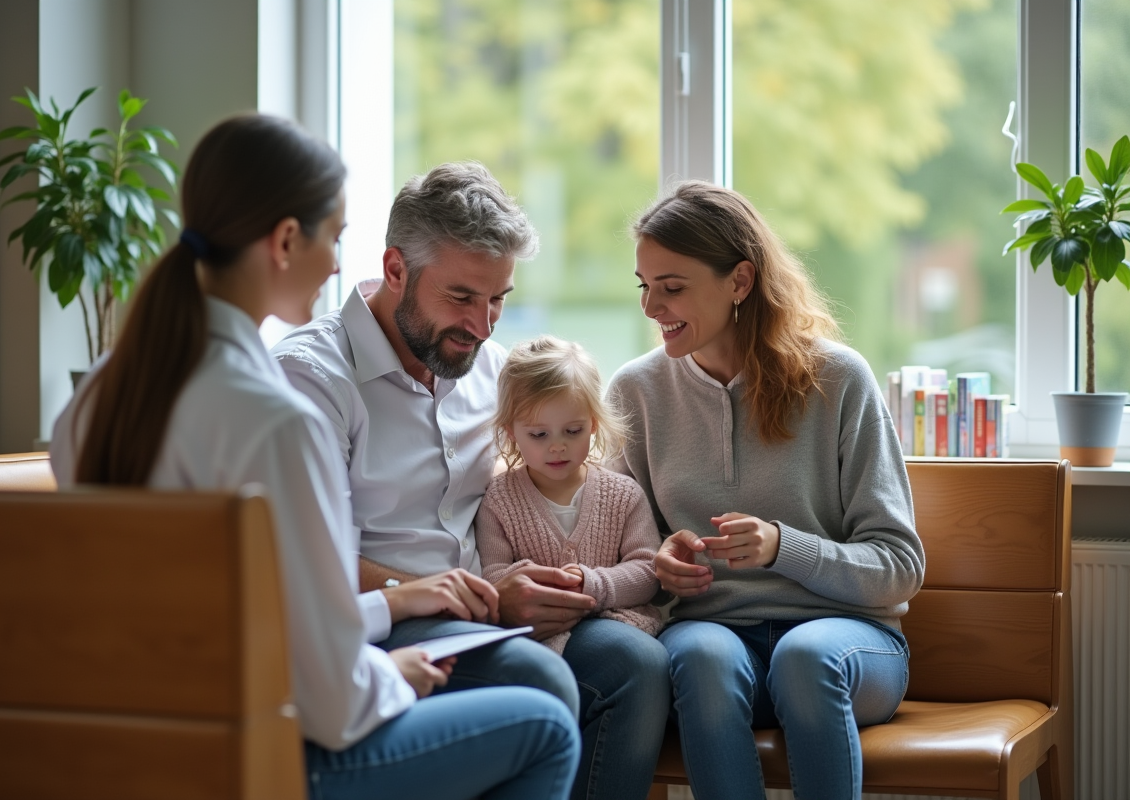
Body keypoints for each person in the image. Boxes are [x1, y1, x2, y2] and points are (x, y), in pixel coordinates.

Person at [50, 115, 579, 800]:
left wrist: (392, 612)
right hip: (255, 754)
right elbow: (334, 704)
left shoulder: (99, 394)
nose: (336, 263)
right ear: (285, 241)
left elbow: (255, 610)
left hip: (140, 737)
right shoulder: (279, 418)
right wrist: (398, 673)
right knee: (544, 724)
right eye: (333, 237)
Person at [273, 162, 672, 800]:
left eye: (499, 300)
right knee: (538, 683)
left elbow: (557, 472)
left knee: (638, 666)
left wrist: (558, 580)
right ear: (395, 268)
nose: (484, 326)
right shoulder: (311, 381)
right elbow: (307, 559)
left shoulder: (486, 372)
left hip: (489, 607)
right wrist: (462, 595)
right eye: (462, 297)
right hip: (383, 618)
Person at [607, 181, 926, 800]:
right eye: (644, 285)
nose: (651, 306)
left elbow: (900, 567)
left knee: (805, 658)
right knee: (698, 657)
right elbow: (625, 555)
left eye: (672, 288)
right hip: (716, 644)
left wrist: (784, 546)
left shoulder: (838, 379)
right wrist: (660, 564)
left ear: (740, 282)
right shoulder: (635, 394)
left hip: (848, 646)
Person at [476, 335, 664, 655]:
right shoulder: (499, 501)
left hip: (618, 626)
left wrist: (591, 585)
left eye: (573, 431)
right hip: (535, 640)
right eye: (539, 434)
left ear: (592, 424)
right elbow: (493, 576)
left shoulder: (624, 495)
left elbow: (648, 570)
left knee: (640, 659)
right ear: (511, 431)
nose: (557, 446)